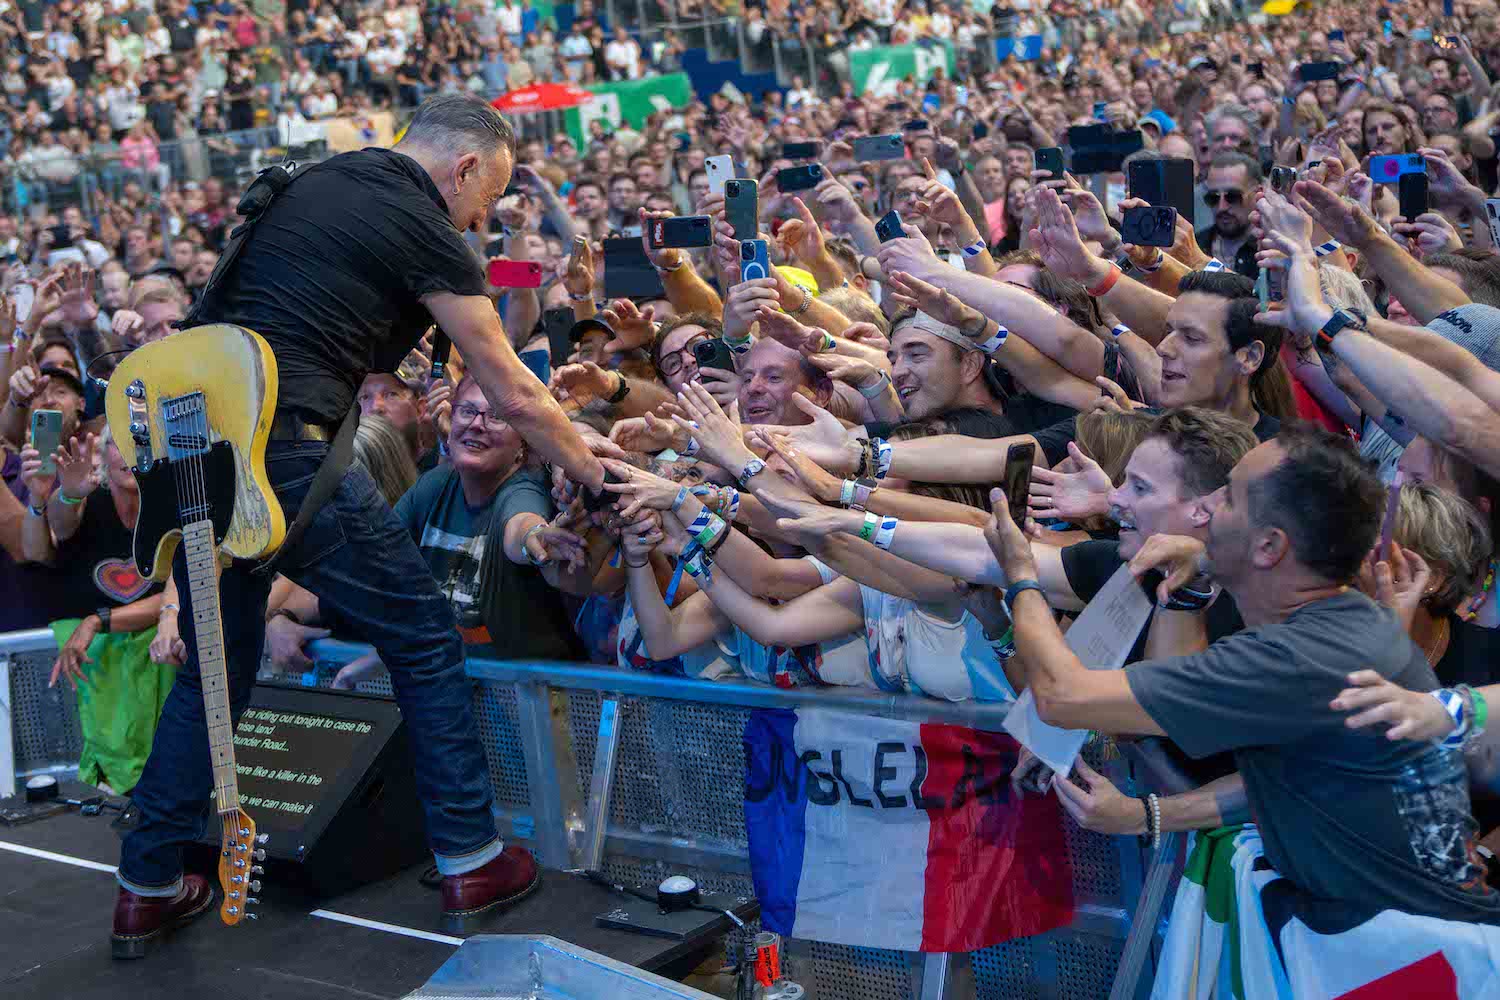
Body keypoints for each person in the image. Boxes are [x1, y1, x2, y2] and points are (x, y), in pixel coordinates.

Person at [109, 93, 607, 958]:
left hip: (201, 453)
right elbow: (513, 386)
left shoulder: (313, 179)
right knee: (422, 634)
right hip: (285, 451)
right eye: (480, 207)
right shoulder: (421, 219)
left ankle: (146, 885)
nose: (475, 224)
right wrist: (601, 477)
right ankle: (470, 855)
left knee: (213, 673)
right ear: (460, 171)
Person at [991, 422, 1500, 923]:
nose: (1207, 507)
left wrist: (1021, 576)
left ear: (1270, 548)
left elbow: (1062, 696)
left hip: (1418, 955)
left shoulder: (1297, 658)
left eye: (1230, 497)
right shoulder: (1341, 629)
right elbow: (1277, 775)